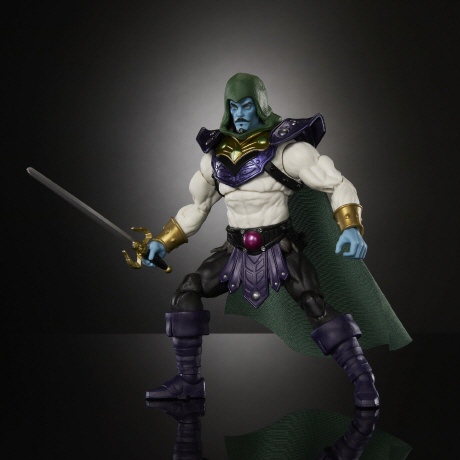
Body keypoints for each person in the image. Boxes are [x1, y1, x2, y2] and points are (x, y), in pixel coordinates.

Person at [142, 72, 411, 407]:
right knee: (187, 291)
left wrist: (351, 228)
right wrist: (162, 242)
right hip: (235, 251)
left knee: (314, 305)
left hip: (278, 248)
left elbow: (337, 184)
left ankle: (364, 382)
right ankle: (189, 382)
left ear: (260, 106)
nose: (239, 113)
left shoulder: (287, 150)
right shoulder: (213, 159)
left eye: (246, 106)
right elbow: (197, 208)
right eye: (233, 107)